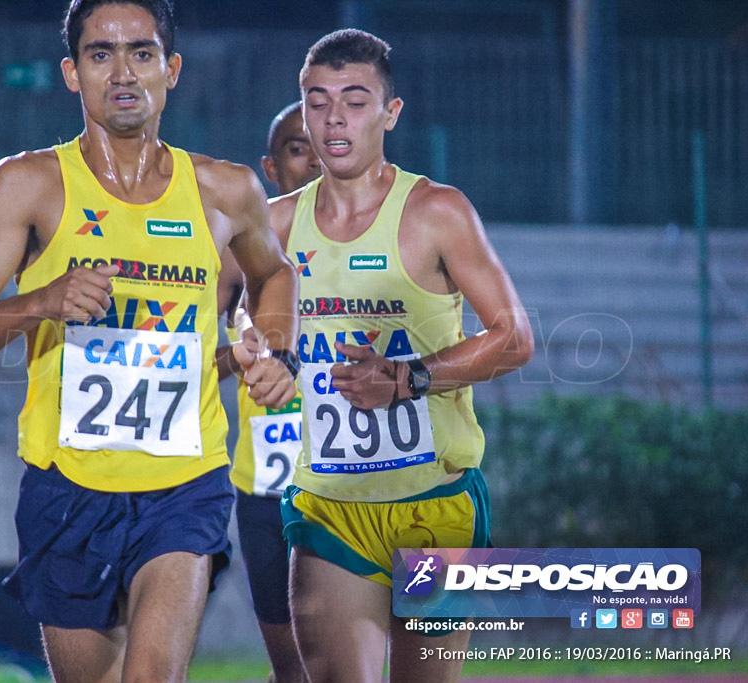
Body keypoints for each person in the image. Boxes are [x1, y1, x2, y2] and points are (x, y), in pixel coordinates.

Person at [0, 2, 299, 681]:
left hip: (184, 485)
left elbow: (275, 274)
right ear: (72, 73)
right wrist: (41, 300)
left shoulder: (225, 190)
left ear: (172, 69)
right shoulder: (27, 185)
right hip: (68, 487)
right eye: (101, 54)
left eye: (142, 53)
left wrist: (276, 350)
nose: (122, 72)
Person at [268, 30, 535, 683]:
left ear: (390, 113)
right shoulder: (272, 228)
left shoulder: (437, 212)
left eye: (355, 101)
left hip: (435, 501)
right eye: (317, 100)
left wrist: (408, 378)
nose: (334, 117)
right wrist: (251, 356)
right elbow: (221, 329)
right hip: (329, 504)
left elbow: (515, 337)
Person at [215, 102, 319, 683]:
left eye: (319, 143)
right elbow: (194, 361)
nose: (313, 158)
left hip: (365, 476)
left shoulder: (388, 237)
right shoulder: (237, 254)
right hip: (270, 484)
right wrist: (241, 355)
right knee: (294, 669)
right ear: (270, 167)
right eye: (295, 148)